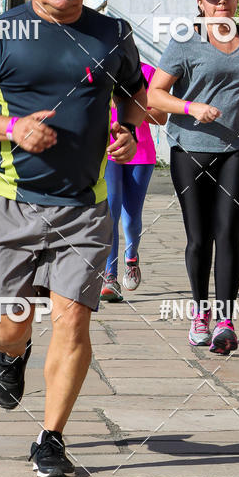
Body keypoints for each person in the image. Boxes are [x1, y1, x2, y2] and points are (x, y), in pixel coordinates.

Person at [0, 0, 146, 477]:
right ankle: (13, 354)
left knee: (74, 323)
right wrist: (12, 127)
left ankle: (51, 438)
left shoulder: (112, 33)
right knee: (7, 325)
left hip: (85, 208)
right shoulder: (0, 33)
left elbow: (135, 96)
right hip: (12, 203)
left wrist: (128, 130)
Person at [149, 0, 239, 353]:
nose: (221, 2)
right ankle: (199, 312)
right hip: (191, 149)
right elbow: (155, 94)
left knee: (229, 234)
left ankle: (225, 322)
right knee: (199, 238)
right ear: (200, 4)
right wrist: (191, 107)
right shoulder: (185, 41)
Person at [100, 62, 167, 302]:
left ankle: (132, 258)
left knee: (131, 217)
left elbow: (161, 117)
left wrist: (133, 110)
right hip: (107, 151)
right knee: (111, 212)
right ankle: (109, 277)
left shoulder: (147, 72)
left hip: (141, 152)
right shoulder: (98, 69)